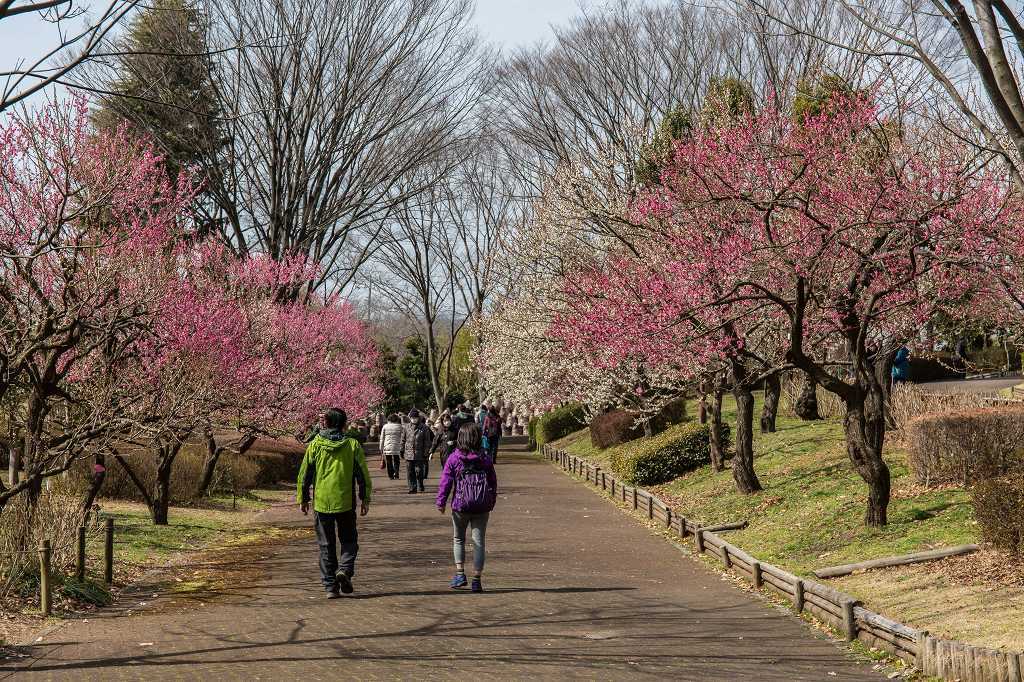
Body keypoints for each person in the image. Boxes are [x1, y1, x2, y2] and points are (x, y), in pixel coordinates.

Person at [297, 408, 371, 598]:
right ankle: (344, 570)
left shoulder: (315, 445)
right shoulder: (352, 445)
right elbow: (362, 475)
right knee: (349, 540)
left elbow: (305, 475)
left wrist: (303, 498)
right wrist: (365, 498)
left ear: (326, 423)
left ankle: (330, 587)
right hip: (345, 501)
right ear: (343, 423)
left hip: (322, 502)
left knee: (326, 545)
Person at [436, 422, 497, 593]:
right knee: (479, 542)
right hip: (482, 506)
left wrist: (441, 502)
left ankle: (460, 574)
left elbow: (445, 482)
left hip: (460, 505)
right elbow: (493, 481)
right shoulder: (485, 458)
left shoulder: (454, 458)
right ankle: (477, 579)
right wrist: (491, 500)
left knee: (459, 539)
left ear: (460, 438)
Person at [403, 408, 432, 493]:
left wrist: (426, 452)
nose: (414, 419)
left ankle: (420, 484)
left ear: (418, 418)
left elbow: (427, 441)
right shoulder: (406, 427)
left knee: (419, 471)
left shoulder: (424, 427)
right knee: (410, 472)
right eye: (412, 417)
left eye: (415, 417)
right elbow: (403, 439)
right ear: (410, 418)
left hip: (420, 453)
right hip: (409, 453)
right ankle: (412, 488)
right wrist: (401, 449)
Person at [379, 413, 404, 480]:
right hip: (397, 446)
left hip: (387, 446)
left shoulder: (385, 426)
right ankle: (396, 473)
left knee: (388, 461)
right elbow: (403, 437)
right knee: (396, 460)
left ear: (389, 419)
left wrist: (381, 448)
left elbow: (382, 438)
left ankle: (390, 475)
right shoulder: (400, 426)